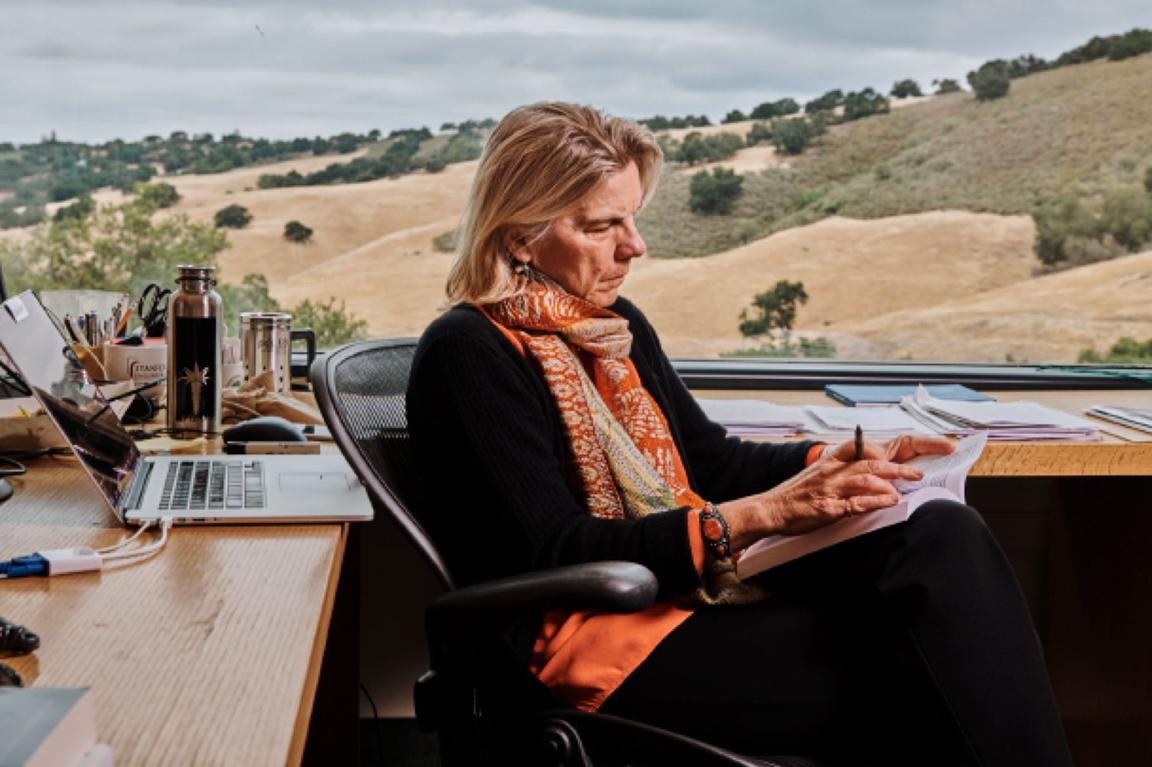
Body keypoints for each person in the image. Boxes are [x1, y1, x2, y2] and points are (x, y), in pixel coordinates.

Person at [407, 101, 1073, 765]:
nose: (633, 246)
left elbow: (710, 462)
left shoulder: (610, 325)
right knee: (927, 666)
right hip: (591, 646)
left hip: (680, 601)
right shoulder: (467, 352)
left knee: (939, 534)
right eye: (604, 225)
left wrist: (839, 461)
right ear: (521, 234)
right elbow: (557, 547)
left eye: (632, 218)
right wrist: (760, 515)